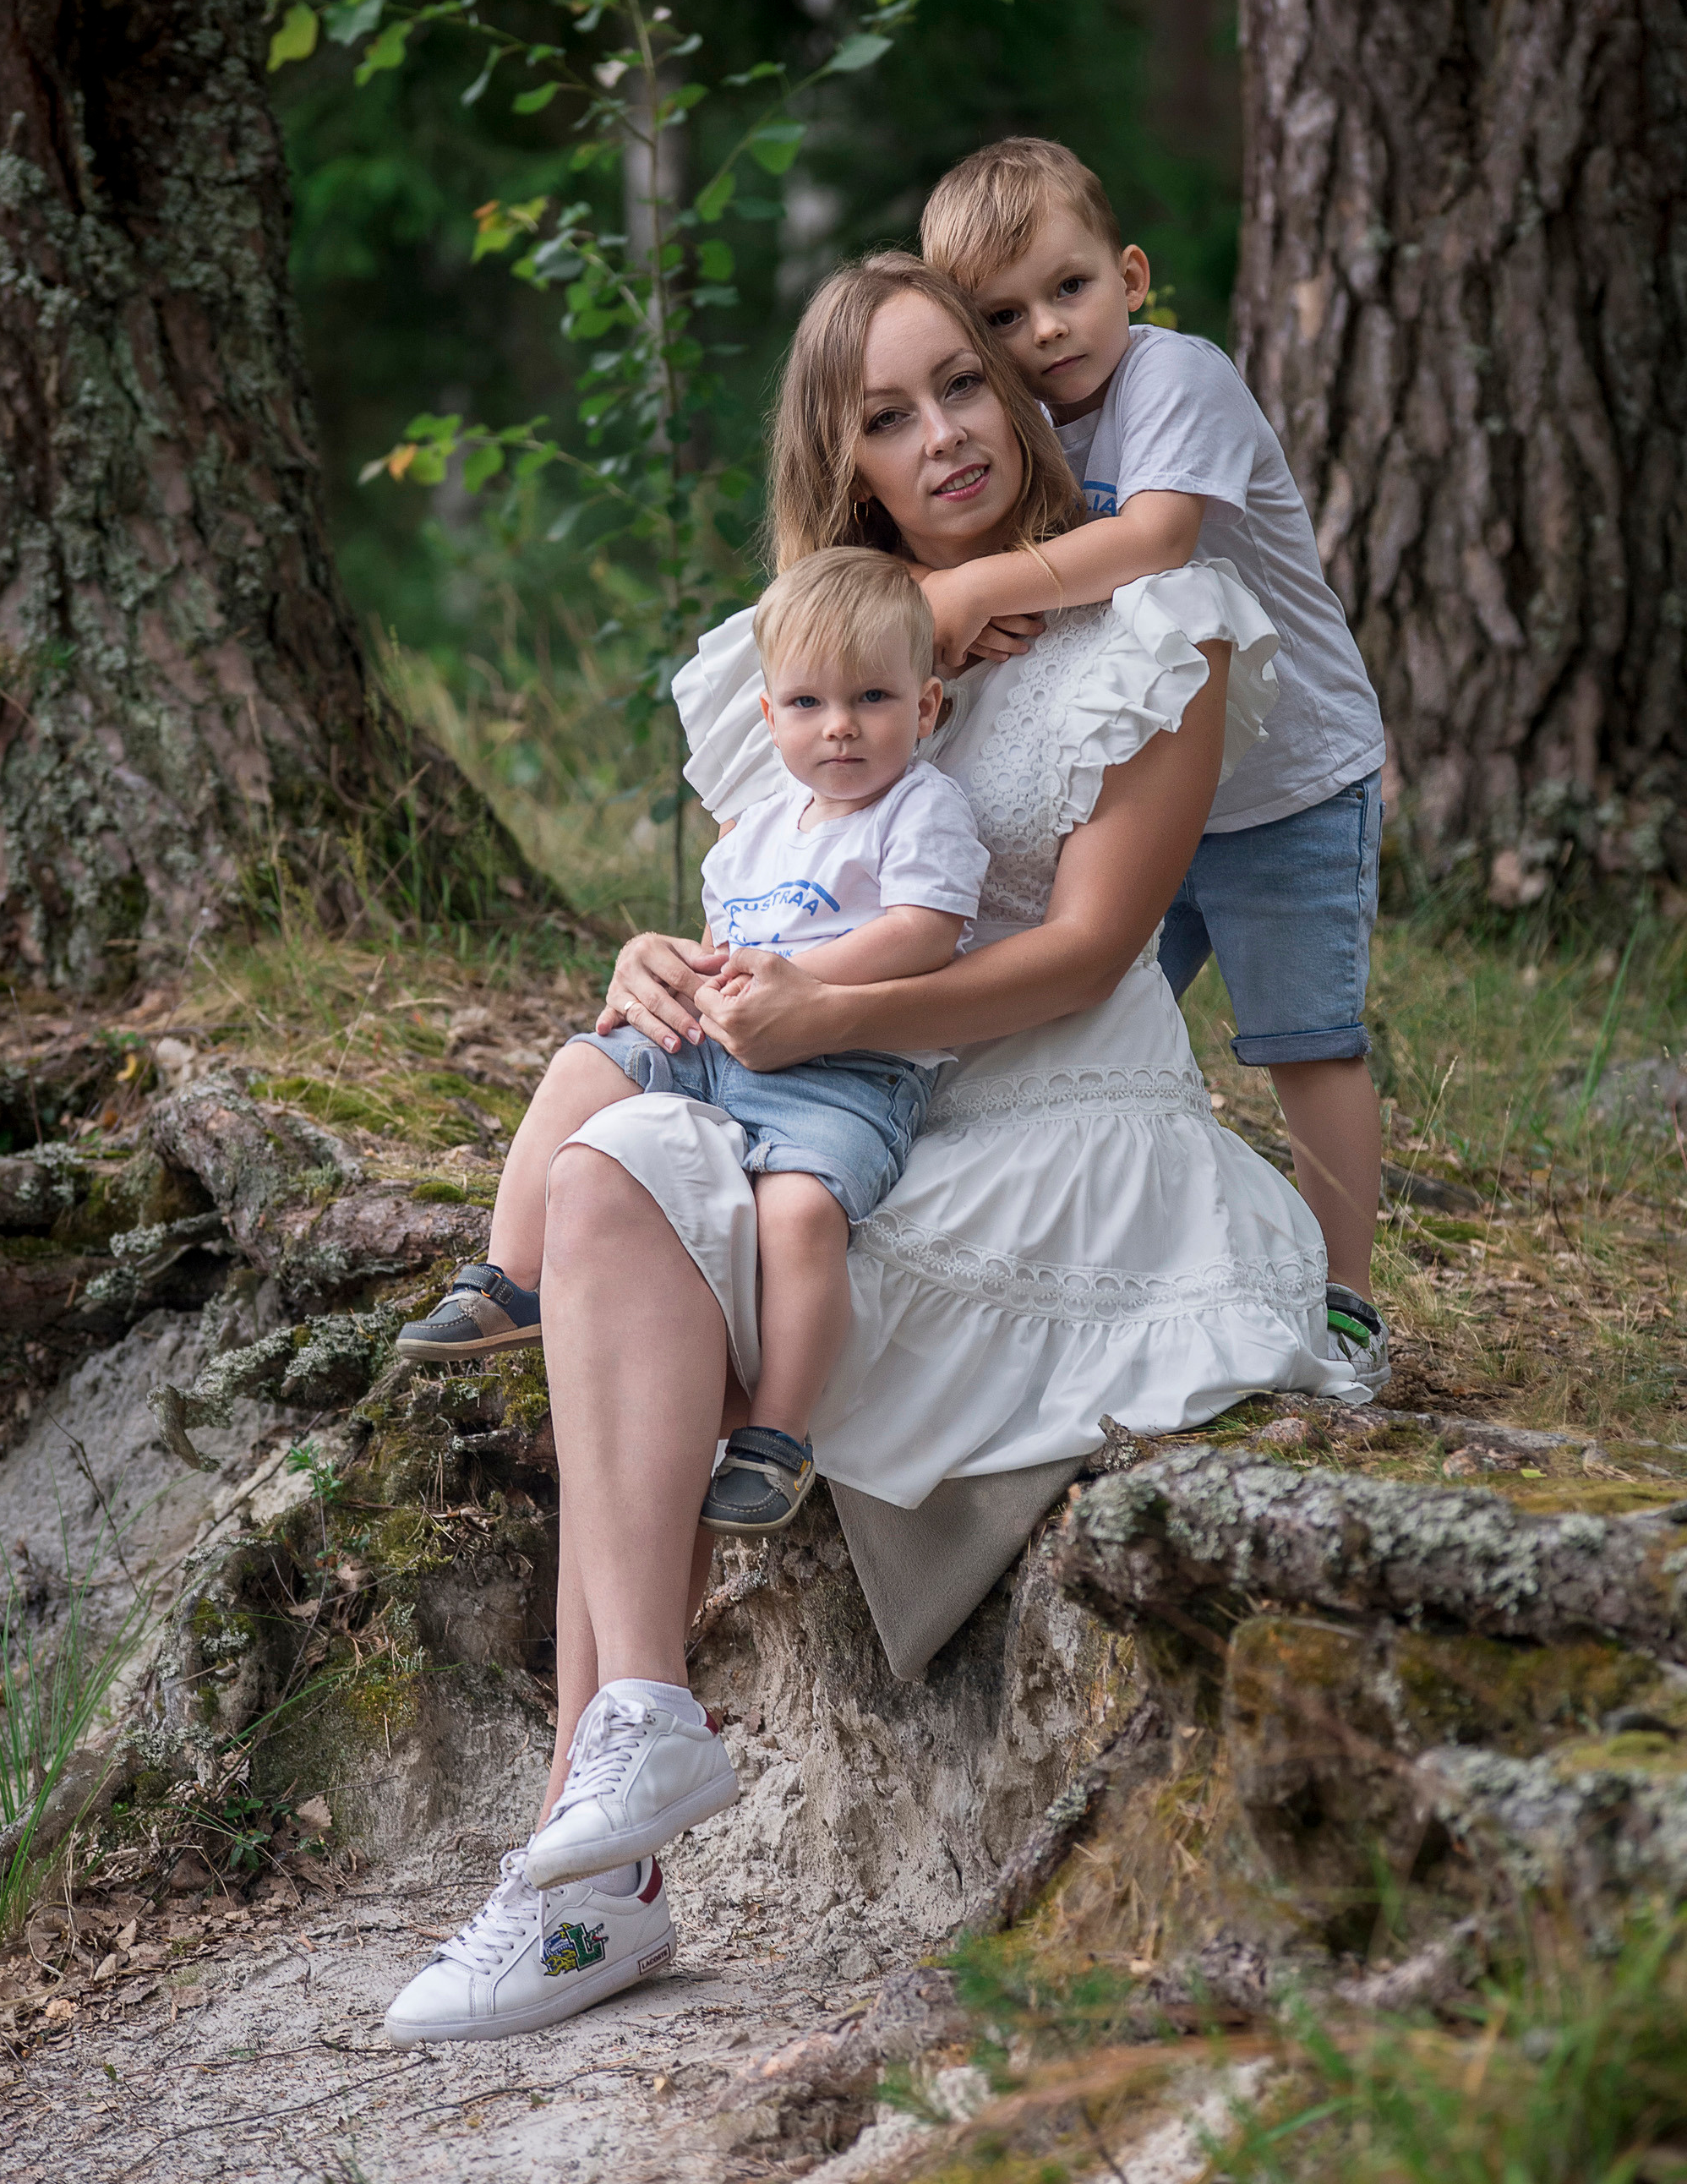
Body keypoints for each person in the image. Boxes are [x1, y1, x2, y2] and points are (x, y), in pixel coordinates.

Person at [381, 254, 1373, 2050]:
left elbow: (1082, 954)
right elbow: (765, 910)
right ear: (838, 453)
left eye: (964, 386)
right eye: (887, 413)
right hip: (821, 1090)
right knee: (609, 1175)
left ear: (1020, 387)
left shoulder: (1161, 629)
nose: (943, 437)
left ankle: (581, 1882)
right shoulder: (810, 647)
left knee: (699, 1232)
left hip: (1047, 1107)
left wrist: (822, 1020)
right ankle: (607, 1824)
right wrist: (655, 965)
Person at [917, 139, 1390, 1380]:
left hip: (1285, 782)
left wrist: (974, 587)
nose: (1047, 332)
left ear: (1130, 275)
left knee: (1305, 1037)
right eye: (1003, 317)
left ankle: (1348, 1296)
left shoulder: (1179, 375)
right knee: (1099, 1023)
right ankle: (1140, 1270)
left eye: (1069, 288)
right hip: (1138, 785)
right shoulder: (1009, 434)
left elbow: (1158, 539)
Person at [583, 543, 987, 1537]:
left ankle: (776, 1434)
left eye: (872, 698)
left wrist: (802, 985)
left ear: (926, 709)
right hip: (731, 1044)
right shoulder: (753, 833)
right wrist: (690, 976)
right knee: (584, 1062)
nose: (839, 726)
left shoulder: (919, 808)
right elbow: (726, 948)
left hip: (848, 1069)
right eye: (806, 704)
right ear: (769, 720)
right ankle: (506, 1274)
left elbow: (924, 932)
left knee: (797, 1217)